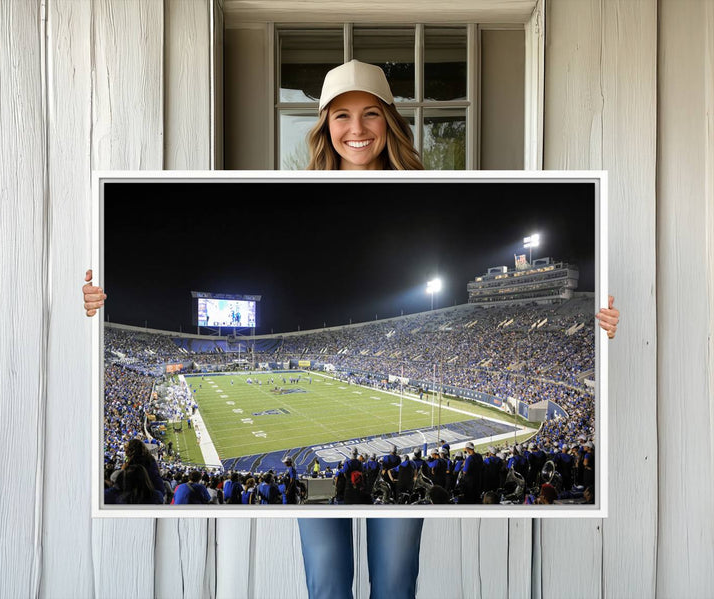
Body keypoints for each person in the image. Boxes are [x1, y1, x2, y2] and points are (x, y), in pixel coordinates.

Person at [83, 58, 620, 599]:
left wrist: (603, 329)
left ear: (390, 120)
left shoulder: (425, 185)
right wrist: (92, 307)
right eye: (341, 116)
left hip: (384, 491)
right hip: (324, 488)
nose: (356, 129)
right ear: (324, 126)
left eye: (370, 114)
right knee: (327, 584)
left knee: (393, 582)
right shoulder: (297, 185)